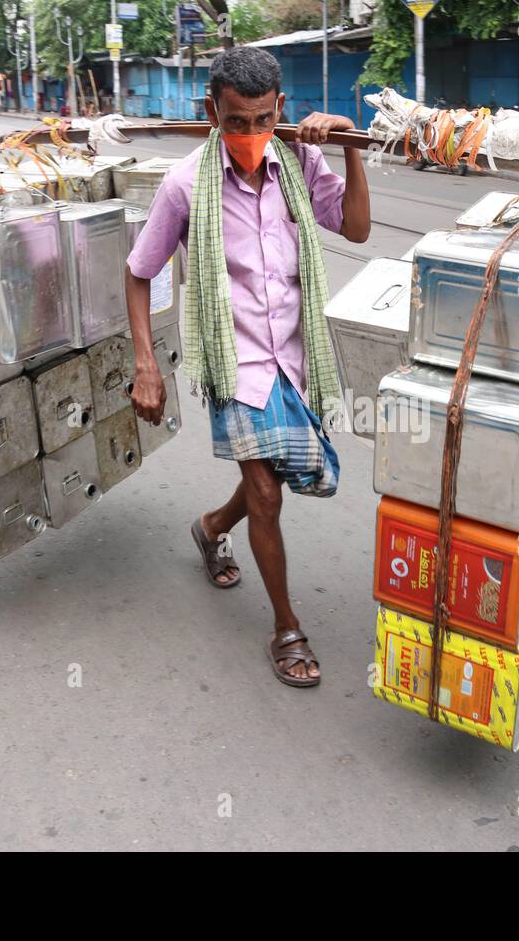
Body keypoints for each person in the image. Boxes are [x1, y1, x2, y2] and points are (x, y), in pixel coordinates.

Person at [125, 46, 370, 688]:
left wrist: (349, 147)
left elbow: (356, 227)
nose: (252, 136)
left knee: (279, 477)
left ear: (280, 110)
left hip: (294, 355)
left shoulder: (300, 161)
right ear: (212, 113)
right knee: (265, 492)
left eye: (263, 121)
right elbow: (138, 273)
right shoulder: (186, 185)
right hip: (232, 362)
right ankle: (287, 628)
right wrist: (147, 364)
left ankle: (210, 527)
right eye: (237, 123)